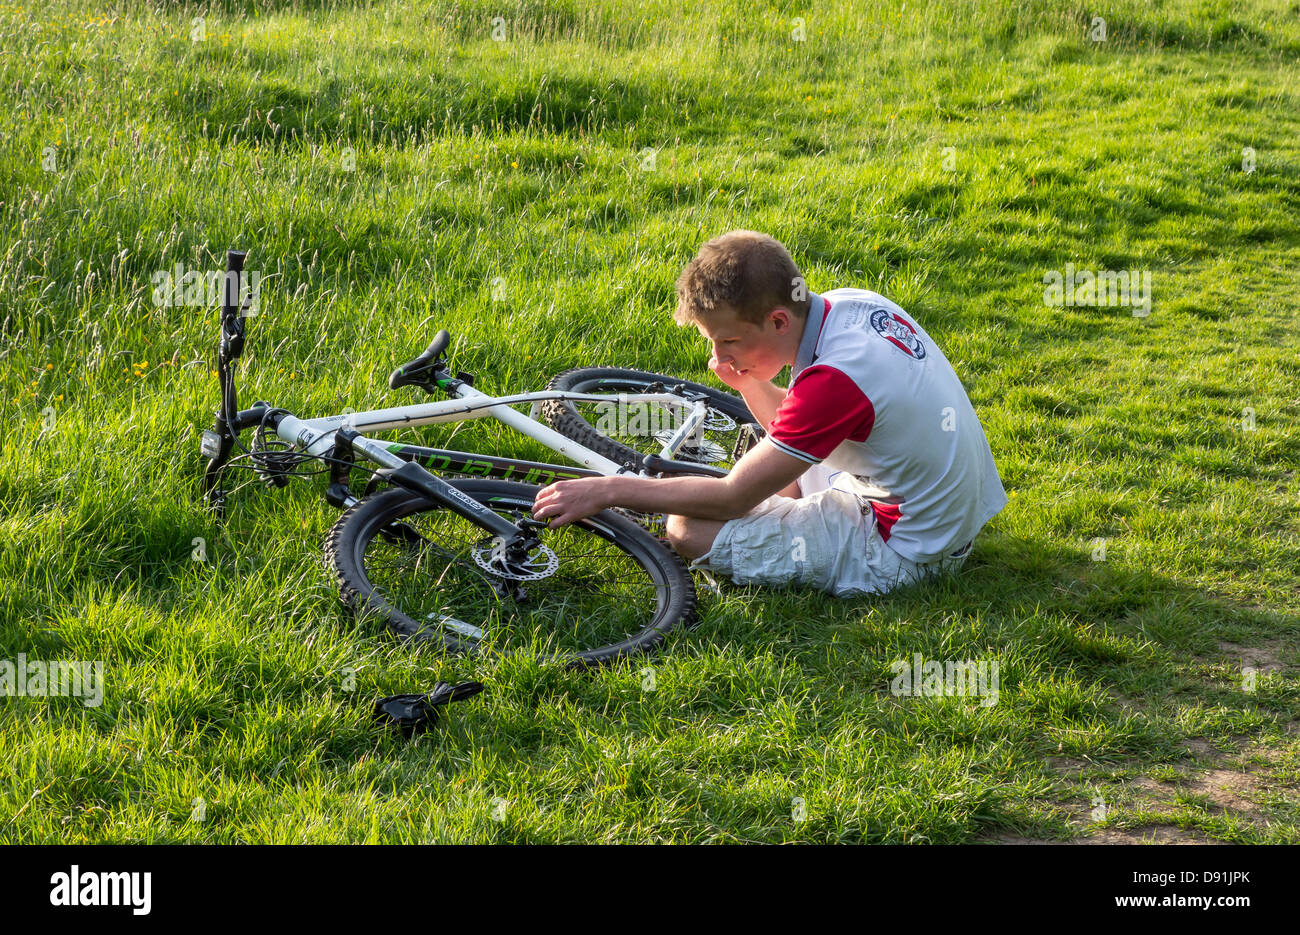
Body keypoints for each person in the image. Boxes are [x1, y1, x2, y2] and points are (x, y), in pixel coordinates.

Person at [531, 230, 1009, 597]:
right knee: (772, 465)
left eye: (729, 342)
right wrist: (747, 379)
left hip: (906, 550)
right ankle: (794, 524)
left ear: (778, 320)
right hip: (944, 515)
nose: (719, 357)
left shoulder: (834, 383)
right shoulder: (852, 304)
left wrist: (609, 489)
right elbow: (804, 422)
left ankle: (811, 545)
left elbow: (732, 498)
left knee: (687, 527)